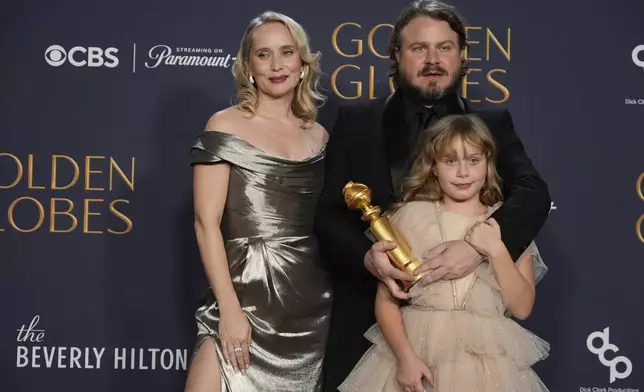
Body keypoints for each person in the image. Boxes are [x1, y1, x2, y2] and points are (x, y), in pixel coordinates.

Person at [314, 1, 551, 390]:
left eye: (444, 47)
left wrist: (478, 245)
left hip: (471, 348)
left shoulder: (492, 124)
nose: (433, 59)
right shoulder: (356, 122)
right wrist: (367, 258)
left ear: (462, 55)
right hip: (369, 329)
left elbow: (532, 192)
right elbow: (328, 214)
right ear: (396, 54)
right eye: (419, 48)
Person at [338, 114, 550, 392]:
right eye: (450, 161)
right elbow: (387, 301)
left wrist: (496, 249)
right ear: (433, 167)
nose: (463, 172)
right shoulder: (411, 218)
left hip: (487, 367)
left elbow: (522, 308)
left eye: (473, 160)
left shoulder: (505, 224)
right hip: (417, 353)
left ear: (488, 164)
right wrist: (405, 359)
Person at [184, 11, 331, 392]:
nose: (277, 65)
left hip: (307, 304)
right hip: (242, 292)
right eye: (263, 55)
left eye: (287, 52)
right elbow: (205, 223)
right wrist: (230, 311)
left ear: (302, 63)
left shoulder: (319, 136)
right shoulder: (225, 125)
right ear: (248, 66)